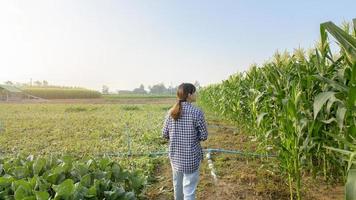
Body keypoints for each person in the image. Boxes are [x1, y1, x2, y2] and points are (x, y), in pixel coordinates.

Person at [162, 82, 208, 200]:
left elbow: (164, 134)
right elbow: (203, 136)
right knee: (189, 190)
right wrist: (192, 137)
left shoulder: (171, 112)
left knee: (177, 185)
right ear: (189, 95)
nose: (196, 94)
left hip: (175, 156)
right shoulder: (197, 112)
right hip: (191, 157)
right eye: (194, 92)